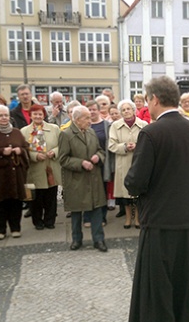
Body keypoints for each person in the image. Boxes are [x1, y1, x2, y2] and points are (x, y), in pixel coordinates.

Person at [125, 76, 189, 322]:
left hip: (161, 223)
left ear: (155, 100)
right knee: (186, 283)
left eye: (147, 99)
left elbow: (136, 181)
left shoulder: (151, 133)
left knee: (157, 287)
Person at [58, 106, 107, 252]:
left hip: (94, 178)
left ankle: (99, 240)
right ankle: (76, 239)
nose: (90, 120)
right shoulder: (66, 134)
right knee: (76, 212)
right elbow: (63, 159)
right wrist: (81, 163)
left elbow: (100, 150)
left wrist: (99, 157)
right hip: (76, 180)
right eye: (86, 118)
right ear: (77, 119)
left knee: (97, 209)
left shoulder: (91, 132)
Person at [0, 105, 30, 240]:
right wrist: (1, 152)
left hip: (16, 174)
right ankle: (0, 230)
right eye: (0, 116)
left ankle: (15, 228)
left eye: (6, 115)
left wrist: (21, 151)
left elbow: (26, 148)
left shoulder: (16, 132)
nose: (4, 118)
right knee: (0, 203)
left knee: (16, 202)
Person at [20, 105, 61, 230]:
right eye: (35, 114)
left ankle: (50, 220)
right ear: (30, 116)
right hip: (35, 169)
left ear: (44, 115)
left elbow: (62, 145)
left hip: (50, 167)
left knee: (51, 196)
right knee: (35, 198)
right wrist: (34, 155)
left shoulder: (54, 128)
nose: (38, 116)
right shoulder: (24, 131)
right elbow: (23, 150)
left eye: (40, 114)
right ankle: (37, 221)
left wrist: (54, 152)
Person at [108, 99, 147, 228]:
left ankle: (137, 218)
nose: (126, 111)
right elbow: (111, 145)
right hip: (123, 162)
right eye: (123, 110)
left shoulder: (144, 124)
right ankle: (128, 218)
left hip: (139, 162)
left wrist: (137, 146)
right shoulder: (115, 125)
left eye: (128, 109)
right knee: (125, 193)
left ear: (134, 110)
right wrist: (124, 146)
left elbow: (148, 143)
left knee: (137, 191)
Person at [85, 99, 113, 227]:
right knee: (87, 190)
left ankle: (102, 217)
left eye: (94, 109)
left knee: (102, 190)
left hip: (102, 163)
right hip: (86, 163)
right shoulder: (83, 125)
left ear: (99, 110)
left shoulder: (107, 125)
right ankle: (87, 217)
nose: (92, 112)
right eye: (89, 110)